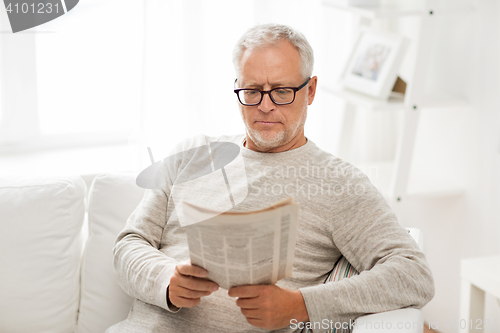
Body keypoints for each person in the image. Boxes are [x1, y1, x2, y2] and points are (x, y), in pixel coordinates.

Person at [107, 23, 434, 333]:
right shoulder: (192, 153)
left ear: (311, 91)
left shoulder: (339, 182)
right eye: (251, 91)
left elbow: (413, 276)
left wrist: (300, 305)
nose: (264, 106)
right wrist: (167, 280)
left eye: (281, 91)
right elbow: (129, 245)